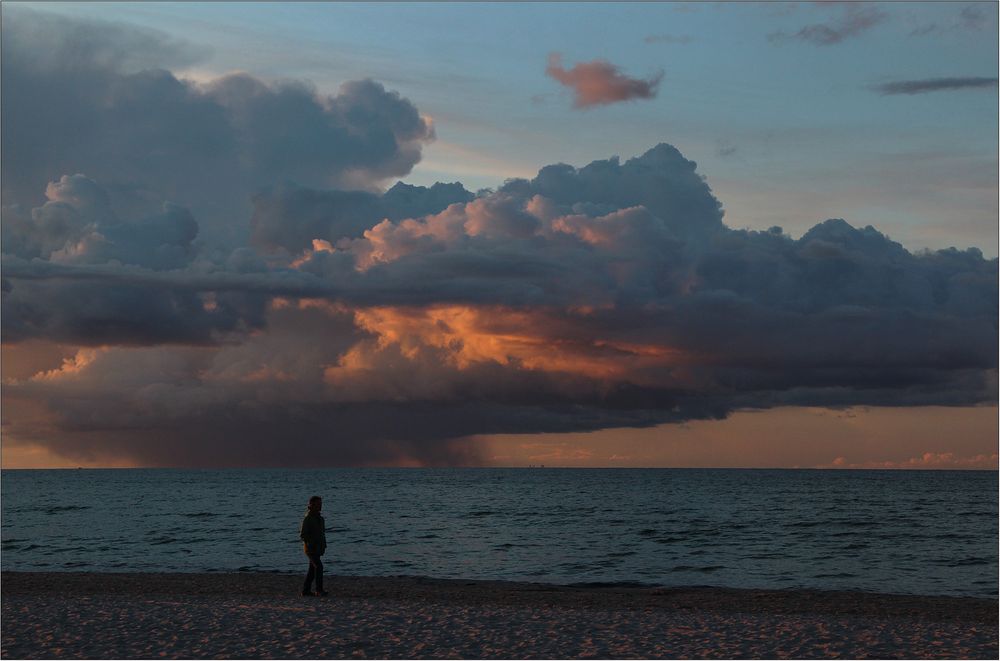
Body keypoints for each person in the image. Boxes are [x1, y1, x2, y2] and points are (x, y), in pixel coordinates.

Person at [300, 495, 328, 597]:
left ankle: (306, 590)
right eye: (317, 504)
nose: (320, 506)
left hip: (318, 548)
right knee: (319, 567)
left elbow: (322, 534)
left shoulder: (320, 519)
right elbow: (303, 535)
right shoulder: (308, 519)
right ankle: (319, 590)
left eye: (320, 504)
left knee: (312, 570)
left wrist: (323, 545)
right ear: (311, 505)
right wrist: (312, 543)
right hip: (310, 549)